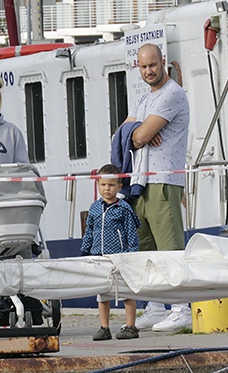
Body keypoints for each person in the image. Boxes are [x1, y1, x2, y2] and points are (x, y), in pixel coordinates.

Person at [123, 43, 190, 333]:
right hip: (141, 180)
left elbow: (138, 137)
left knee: (170, 247)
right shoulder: (144, 100)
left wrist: (139, 133)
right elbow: (125, 132)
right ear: (138, 67)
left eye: (153, 64)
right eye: (143, 66)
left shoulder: (172, 94)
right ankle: (155, 305)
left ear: (163, 62)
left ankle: (181, 309)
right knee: (146, 248)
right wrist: (137, 132)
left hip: (164, 179)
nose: (149, 71)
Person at [80, 164, 141, 341]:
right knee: (103, 293)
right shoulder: (94, 208)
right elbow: (89, 231)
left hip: (121, 256)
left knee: (126, 291)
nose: (107, 189)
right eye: (103, 185)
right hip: (100, 256)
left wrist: (131, 253)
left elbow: (131, 232)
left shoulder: (124, 208)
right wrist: (85, 251)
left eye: (111, 185)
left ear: (119, 187)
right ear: (98, 185)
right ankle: (104, 327)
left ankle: (130, 326)